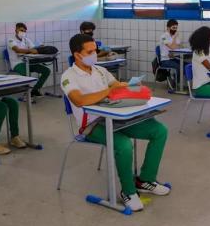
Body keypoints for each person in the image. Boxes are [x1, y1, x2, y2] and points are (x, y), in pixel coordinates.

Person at [61, 34, 170, 212]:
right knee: (123, 145)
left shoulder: (100, 70)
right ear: (77, 55)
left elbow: (116, 85)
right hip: (93, 125)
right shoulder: (69, 76)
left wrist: (130, 86)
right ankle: (128, 191)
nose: (94, 55)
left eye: (95, 51)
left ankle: (145, 180)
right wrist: (108, 90)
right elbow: (79, 100)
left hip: (117, 117)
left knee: (159, 131)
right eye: (89, 52)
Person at [7, 22, 50, 97]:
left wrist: (39, 47)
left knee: (46, 71)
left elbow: (34, 48)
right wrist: (30, 50)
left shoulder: (26, 39)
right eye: (21, 30)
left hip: (28, 62)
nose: (23, 32)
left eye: (24, 31)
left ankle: (34, 90)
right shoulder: (11, 40)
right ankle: (26, 94)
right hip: (17, 64)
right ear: (16, 30)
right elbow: (17, 50)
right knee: (27, 74)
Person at [158, 19, 182, 89]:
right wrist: (174, 38)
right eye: (173, 28)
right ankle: (173, 84)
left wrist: (174, 40)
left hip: (173, 58)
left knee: (184, 65)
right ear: (168, 27)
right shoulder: (163, 37)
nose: (175, 29)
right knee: (178, 67)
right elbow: (173, 47)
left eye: (176, 28)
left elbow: (178, 46)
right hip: (165, 60)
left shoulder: (174, 36)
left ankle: (173, 80)